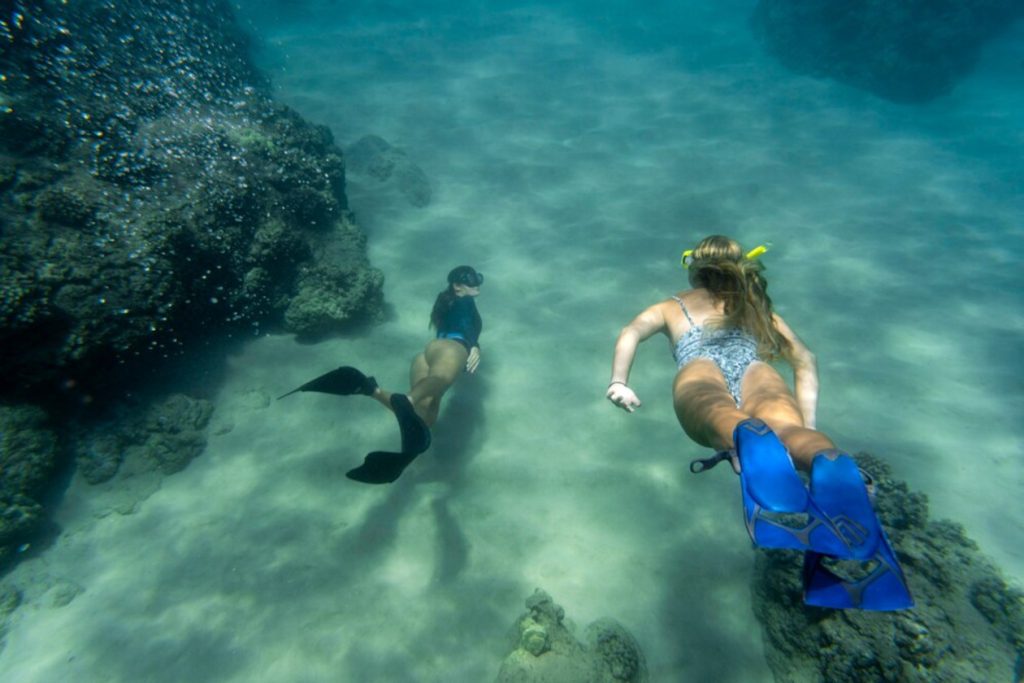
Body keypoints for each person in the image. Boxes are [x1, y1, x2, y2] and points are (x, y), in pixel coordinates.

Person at [606, 235, 912, 610]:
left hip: (698, 369)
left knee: (723, 416)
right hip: (756, 370)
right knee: (791, 433)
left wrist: (619, 381)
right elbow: (806, 360)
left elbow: (631, 331)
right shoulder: (757, 308)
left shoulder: (673, 305)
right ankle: (824, 457)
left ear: (694, 269)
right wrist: (810, 426)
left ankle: (742, 438)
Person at [280, 265, 484, 484]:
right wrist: (474, 345)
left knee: (424, 416)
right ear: (457, 286)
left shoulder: (445, 301)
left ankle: (371, 389)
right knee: (440, 381)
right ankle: (408, 398)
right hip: (453, 348)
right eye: (471, 284)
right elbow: (466, 325)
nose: (477, 288)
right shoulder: (465, 302)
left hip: (427, 353)